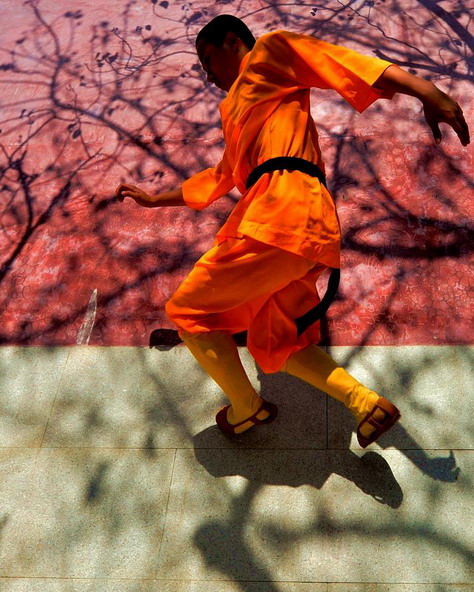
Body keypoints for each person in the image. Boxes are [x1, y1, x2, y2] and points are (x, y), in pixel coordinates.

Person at [116, 15, 470, 445]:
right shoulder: (236, 110)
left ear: (232, 42)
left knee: (190, 312)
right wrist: (156, 199)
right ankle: (366, 406)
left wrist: (428, 92)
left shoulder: (269, 52)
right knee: (275, 340)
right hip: (303, 224)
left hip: (280, 212)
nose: (207, 74)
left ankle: (246, 409)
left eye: (207, 59)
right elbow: (221, 176)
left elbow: (337, 61)